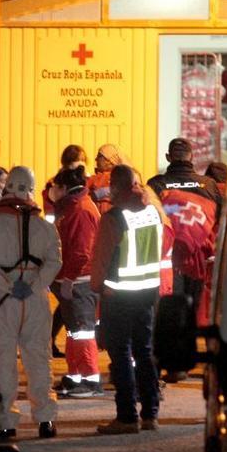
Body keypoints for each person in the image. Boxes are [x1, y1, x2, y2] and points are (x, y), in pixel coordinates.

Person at [0, 166, 61, 439]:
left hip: (2, 300)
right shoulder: (45, 227)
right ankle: (45, 419)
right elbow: (55, 262)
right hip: (34, 300)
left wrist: (7, 285)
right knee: (38, 359)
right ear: (31, 190)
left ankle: (6, 421)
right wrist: (32, 286)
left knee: (2, 360)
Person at [93, 164, 163, 434]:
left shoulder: (113, 218)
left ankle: (126, 417)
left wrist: (98, 286)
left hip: (118, 295)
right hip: (146, 293)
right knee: (145, 352)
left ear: (114, 187)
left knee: (121, 354)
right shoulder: (153, 212)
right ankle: (150, 414)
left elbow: (100, 259)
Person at [147, 138, 222, 383]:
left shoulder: (155, 185)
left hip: (167, 259)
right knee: (191, 309)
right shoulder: (209, 185)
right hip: (199, 258)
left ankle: (170, 364)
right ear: (191, 157)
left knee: (167, 311)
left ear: (169, 158)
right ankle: (184, 362)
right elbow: (219, 218)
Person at [46, 166, 102, 398]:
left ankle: (90, 380)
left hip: (79, 282)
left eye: (55, 187)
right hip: (73, 280)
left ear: (65, 188)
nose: (51, 191)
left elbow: (81, 252)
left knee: (82, 332)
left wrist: (68, 279)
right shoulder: (72, 207)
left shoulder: (79, 210)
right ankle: (76, 375)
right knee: (73, 332)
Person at [42, 145, 87, 358]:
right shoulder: (60, 187)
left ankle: (49, 340)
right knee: (68, 311)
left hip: (64, 257)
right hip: (60, 254)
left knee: (69, 313)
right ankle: (49, 340)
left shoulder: (75, 196)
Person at [87, 144, 127, 214]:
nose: (95, 159)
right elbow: (81, 198)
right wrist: (94, 195)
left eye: (99, 156)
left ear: (108, 160)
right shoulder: (92, 179)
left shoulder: (124, 177)